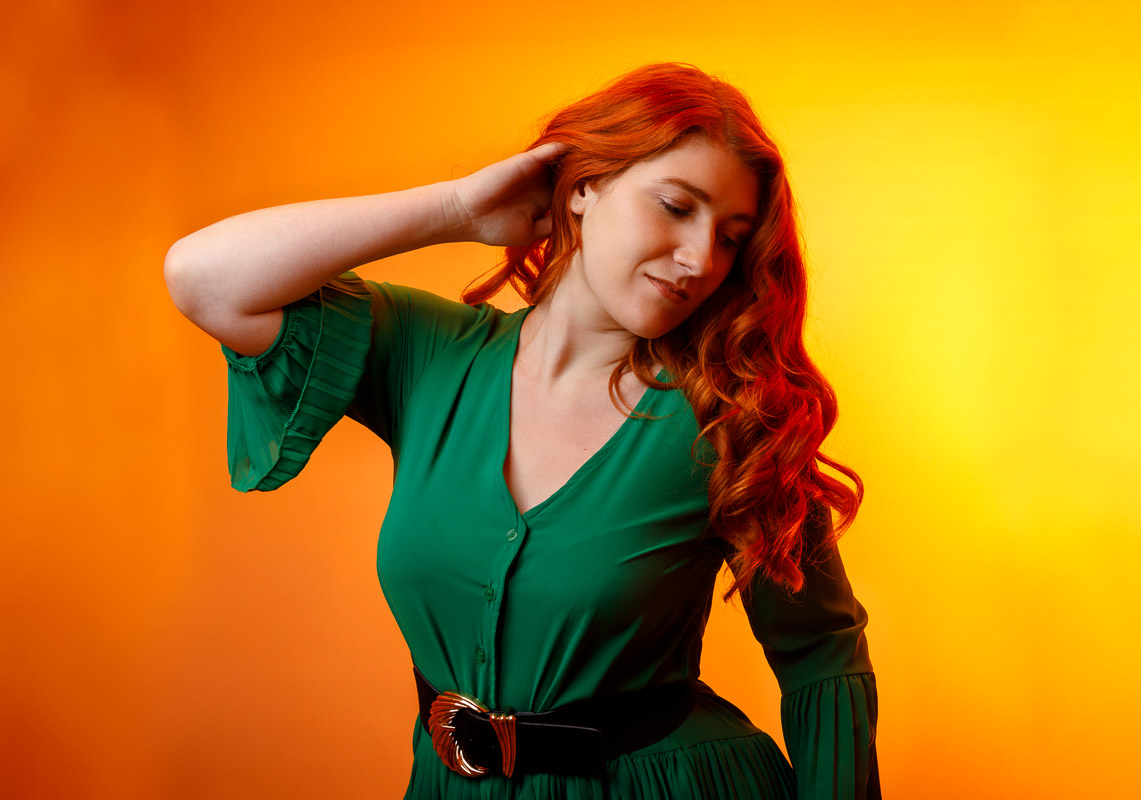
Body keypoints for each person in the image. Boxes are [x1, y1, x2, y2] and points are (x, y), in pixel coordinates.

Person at [164, 62, 879, 799]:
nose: (700, 259)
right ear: (582, 189)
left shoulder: (734, 419)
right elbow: (203, 277)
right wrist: (457, 209)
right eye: (675, 206)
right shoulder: (428, 355)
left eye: (730, 238)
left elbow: (821, 652)